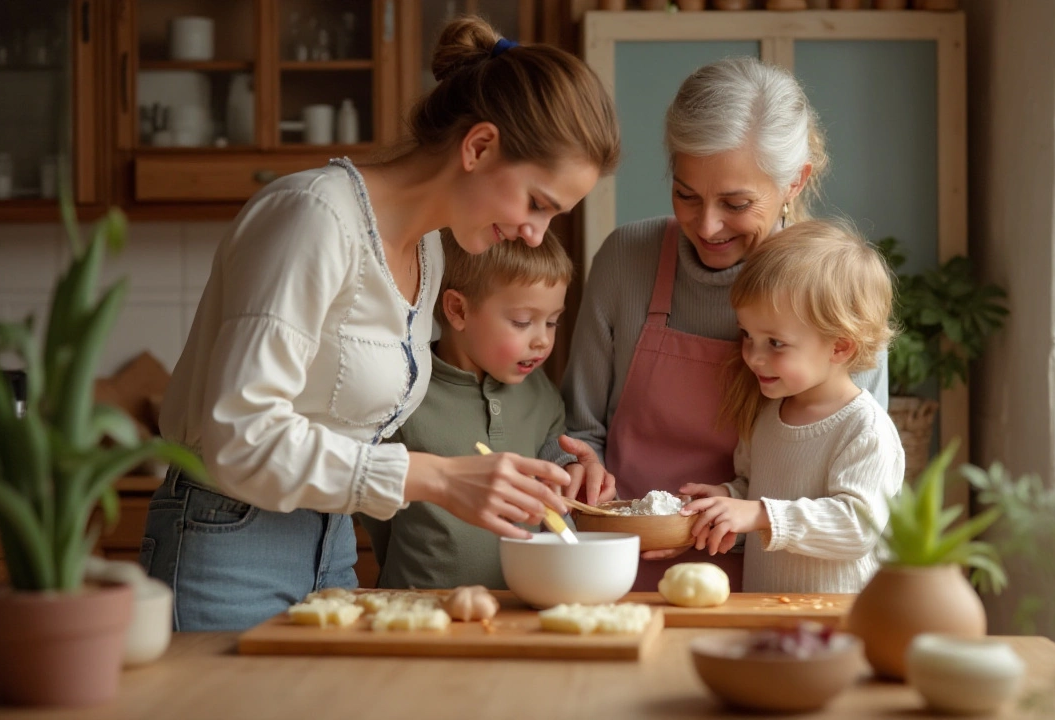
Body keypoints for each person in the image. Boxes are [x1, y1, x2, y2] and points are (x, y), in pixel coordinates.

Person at [141, 16, 620, 630]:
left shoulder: (431, 253)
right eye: (537, 203)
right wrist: (439, 478)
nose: (535, 234)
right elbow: (240, 436)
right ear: (478, 147)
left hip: (333, 550)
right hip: (228, 546)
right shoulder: (314, 216)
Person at [561, 56, 886, 591]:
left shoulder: (835, 296)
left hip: (773, 581)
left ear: (794, 182)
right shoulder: (627, 260)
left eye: (736, 203)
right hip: (617, 570)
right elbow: (579, 427)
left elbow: (849, 494)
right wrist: (579, 469)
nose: (706, 225)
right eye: (686, 194)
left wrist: (719, 528)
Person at [360, 234, 615, 590]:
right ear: (458, 310)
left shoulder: (541, 393)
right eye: (524, 321)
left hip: (519, 608)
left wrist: (572, 469)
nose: (542, 339)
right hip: (420, 612)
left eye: (552, 321)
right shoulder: (402, 392)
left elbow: (552, 458)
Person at [679, 220, 905, 594]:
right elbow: (757, 488)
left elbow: (857, 527)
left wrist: (760, 514)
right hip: (765, 613)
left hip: (839, 624)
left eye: (776, 343)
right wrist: (729, 499)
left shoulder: (865, 429)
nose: (753, 356)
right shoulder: (767, 414)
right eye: (747, 336)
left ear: (839, 347)